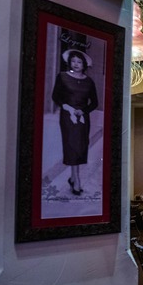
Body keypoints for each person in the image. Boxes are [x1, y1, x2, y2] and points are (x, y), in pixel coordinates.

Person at [52, 49, 98, 196]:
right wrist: (67, 107)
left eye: (79, 62)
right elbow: (55, 96)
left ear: (84, 64)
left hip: (83, 118)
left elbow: (94, 102)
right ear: (69, 62)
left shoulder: (89, 82)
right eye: (73, 61)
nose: (76, 64)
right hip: (68, 116)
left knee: (81, 146)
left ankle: (72, 177)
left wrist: (83, 110)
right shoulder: (63, 77)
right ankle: (76, 179)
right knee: (71, 145)